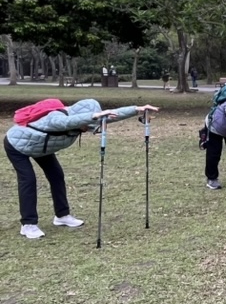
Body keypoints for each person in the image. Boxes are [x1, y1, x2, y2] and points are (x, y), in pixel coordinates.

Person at [5, 98, 159, 239]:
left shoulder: (81, 122)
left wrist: (137, 109)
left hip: (41, 147)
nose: (88, 129)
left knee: (57, 176)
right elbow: (67, 122)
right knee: (28, 180)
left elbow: (110, 116)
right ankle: (28, 224)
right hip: (18, 145)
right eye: (89, 124)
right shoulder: (56, 117)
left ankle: (62, 216)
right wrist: (92, 116)